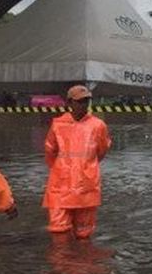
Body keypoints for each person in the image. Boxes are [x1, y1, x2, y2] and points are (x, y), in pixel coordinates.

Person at [42, 85, 111, 239]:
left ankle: (82, 262)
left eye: (87, 101)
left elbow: (102, 150)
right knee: (58, 232)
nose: (84, 105)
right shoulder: (58, 124)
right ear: (69, 103)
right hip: (60, 188)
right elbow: (50, 151)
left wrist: (85, 167)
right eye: (80, 101)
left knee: (84, 234)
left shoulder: (98, 125)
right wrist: (62, 170)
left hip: (86, 187)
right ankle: (63, 263)